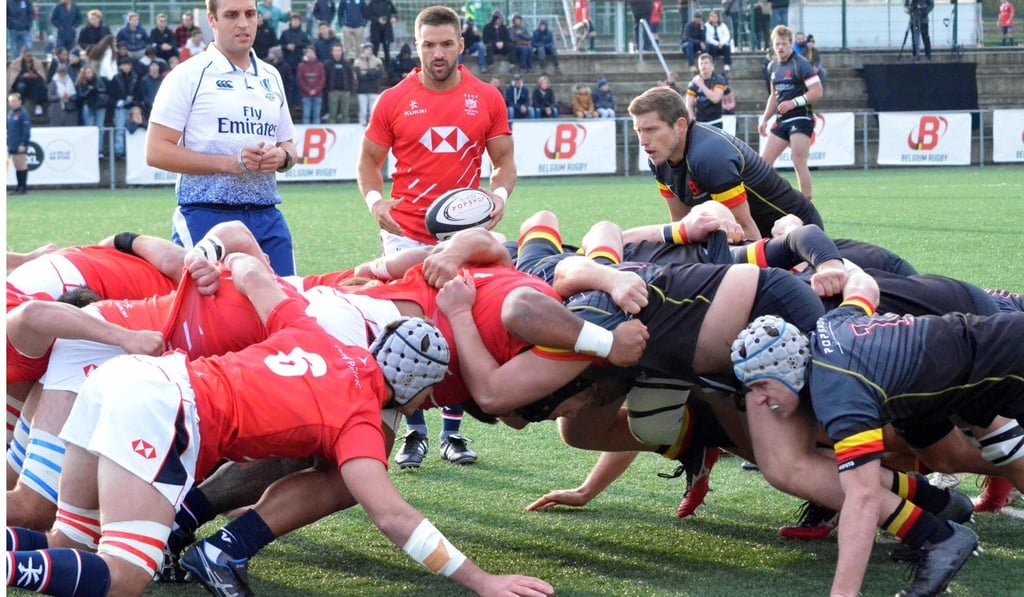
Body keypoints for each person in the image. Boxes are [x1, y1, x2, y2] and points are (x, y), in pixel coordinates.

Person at [5, 252, 557, 597]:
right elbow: (392, 515)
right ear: (412, 388)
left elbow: (251, 270)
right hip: (163, 409)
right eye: (427, 398)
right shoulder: (359, 419)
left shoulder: (312, 328)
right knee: (124, 578)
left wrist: (218, 258)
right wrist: (481, 580)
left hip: (124, 376)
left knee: (69, 538)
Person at [730, 274, 1021, 596]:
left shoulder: (838, 390)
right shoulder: (830, 325)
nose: (757, 399)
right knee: (961, 456)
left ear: (788, 366)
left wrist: (842, 593)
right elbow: (863, 286)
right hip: (985, 369)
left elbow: (863, 498)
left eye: (762, 384)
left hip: (1004, 366)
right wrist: (840, 270)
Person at [358, 5, 515, 469]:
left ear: (461, 45)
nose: (438, 53)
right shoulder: (393, 100)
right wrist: (376, 202)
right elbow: (368, 162)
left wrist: (499, 195)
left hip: (462, 235)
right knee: (404, 330)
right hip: (404, 234)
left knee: (459, 326)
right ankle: (414, 431)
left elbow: (504, 160)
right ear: (417, 46)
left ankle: (452, 433)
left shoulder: (486, 97)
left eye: (446, 44)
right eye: (429, 45)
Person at [146, 0, 299, 277]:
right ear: (212, 20)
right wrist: (230, 163)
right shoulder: (188, 75)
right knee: (209, 304)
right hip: (206, 215)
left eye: (250, 14)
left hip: (267, 217)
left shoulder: (271, 75)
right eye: (231, 15)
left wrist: (281, 157)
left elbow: (288, 146)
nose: (243, 23)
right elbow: (156, 151)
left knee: (286, 301)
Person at [630, 85, 822, 240]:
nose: (643, 141)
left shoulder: (709, 156)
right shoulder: (658, 159)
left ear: (680, 125)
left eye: (651, 130)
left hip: (798, 231)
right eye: (638, 131)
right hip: (754, 235)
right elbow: (680, 221)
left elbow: (746, 230)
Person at [759, 25, 823, 201]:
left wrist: (793, 102)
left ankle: (806, 206)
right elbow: (774, 96)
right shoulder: (772, 66)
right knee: (762, 165)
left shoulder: (801, 64)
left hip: (801, 118)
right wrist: (765, 119)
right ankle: (765, 202)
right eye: (777, 44)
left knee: (798, 160)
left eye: (784, 44)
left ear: (790, 43)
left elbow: (817, 91)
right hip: (782, 120)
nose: (780, 47)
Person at [686, 53, 731, 128]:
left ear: (711, 65)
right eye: (701, 63)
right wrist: (691, 118)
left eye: (706, 63)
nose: (703, 65)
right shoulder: (693, 82)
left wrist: (701, 85)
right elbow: (689, 105)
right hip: (700, 123)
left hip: (715, 122)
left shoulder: (719, 79)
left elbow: (715, 99)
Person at [8, 48, 49, 116]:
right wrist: (23, 75)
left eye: (30, 56)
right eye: (27, 56)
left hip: (34, 82)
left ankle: (38, 105)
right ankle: (19, 106)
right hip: (21, 82)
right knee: (21, 87)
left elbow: (42, 76)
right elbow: (13, 77)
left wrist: (35, 76)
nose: (28, 57)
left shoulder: (36, 63)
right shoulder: (16, 63)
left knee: (39, 87)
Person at [354, 41, 384, 126]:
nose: (369, 51)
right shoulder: (358, 61)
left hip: (374, 89)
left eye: (370, 49)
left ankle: (372, 126)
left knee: (373, 111)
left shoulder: (377, 61)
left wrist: (366, 73)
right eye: (367, 49)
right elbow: (358, 75)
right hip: (362, 90)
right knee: (363, 111)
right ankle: (362, 125)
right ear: (364, 50)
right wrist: (372, 73)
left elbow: (380, 73)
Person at [7, 92, 32, 196]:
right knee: (17, 165)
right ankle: (19, 186)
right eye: (10, 101)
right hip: (12, 143)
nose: (12, 103)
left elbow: (26, 131)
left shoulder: (23, 114)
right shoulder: (10, 114)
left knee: (22, 165)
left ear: (20, 101)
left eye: (14, 101)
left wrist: (23, 143)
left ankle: (23, 187)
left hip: (19, 144)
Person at [324, 42, 355, 123]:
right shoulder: (328, 64)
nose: (337, 53)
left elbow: (351, 77)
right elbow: (325, 78)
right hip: (333, 92)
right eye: (335, 51)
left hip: (345, 92)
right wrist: (328, 89)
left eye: (339, 51)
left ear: (341, 52)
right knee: (332, 114)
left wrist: (350, 89)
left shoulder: (347, 63)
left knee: (345, 114)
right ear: (332, 52)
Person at [298, 46, 326, 124]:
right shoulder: (301, 66)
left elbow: (322, 80)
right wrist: (308, 90)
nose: (310, 54)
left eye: (312, 52)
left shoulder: (320, 65)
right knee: (306, 115)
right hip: (306, 95)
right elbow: (300, 80)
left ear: (315, 54)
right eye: (308, 52)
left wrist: (315, 90)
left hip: (318, 95)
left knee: (316, 116)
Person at [366, 0, 398, 65]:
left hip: (386, 30)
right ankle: (374, 66)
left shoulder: (388, 2)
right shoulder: (372, 3)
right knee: (375, 50)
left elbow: (395, 13)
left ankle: (387, 68)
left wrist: (394, 18)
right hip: (376, 30)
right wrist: (377, 20)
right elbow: (367, 15)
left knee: (387, 51)